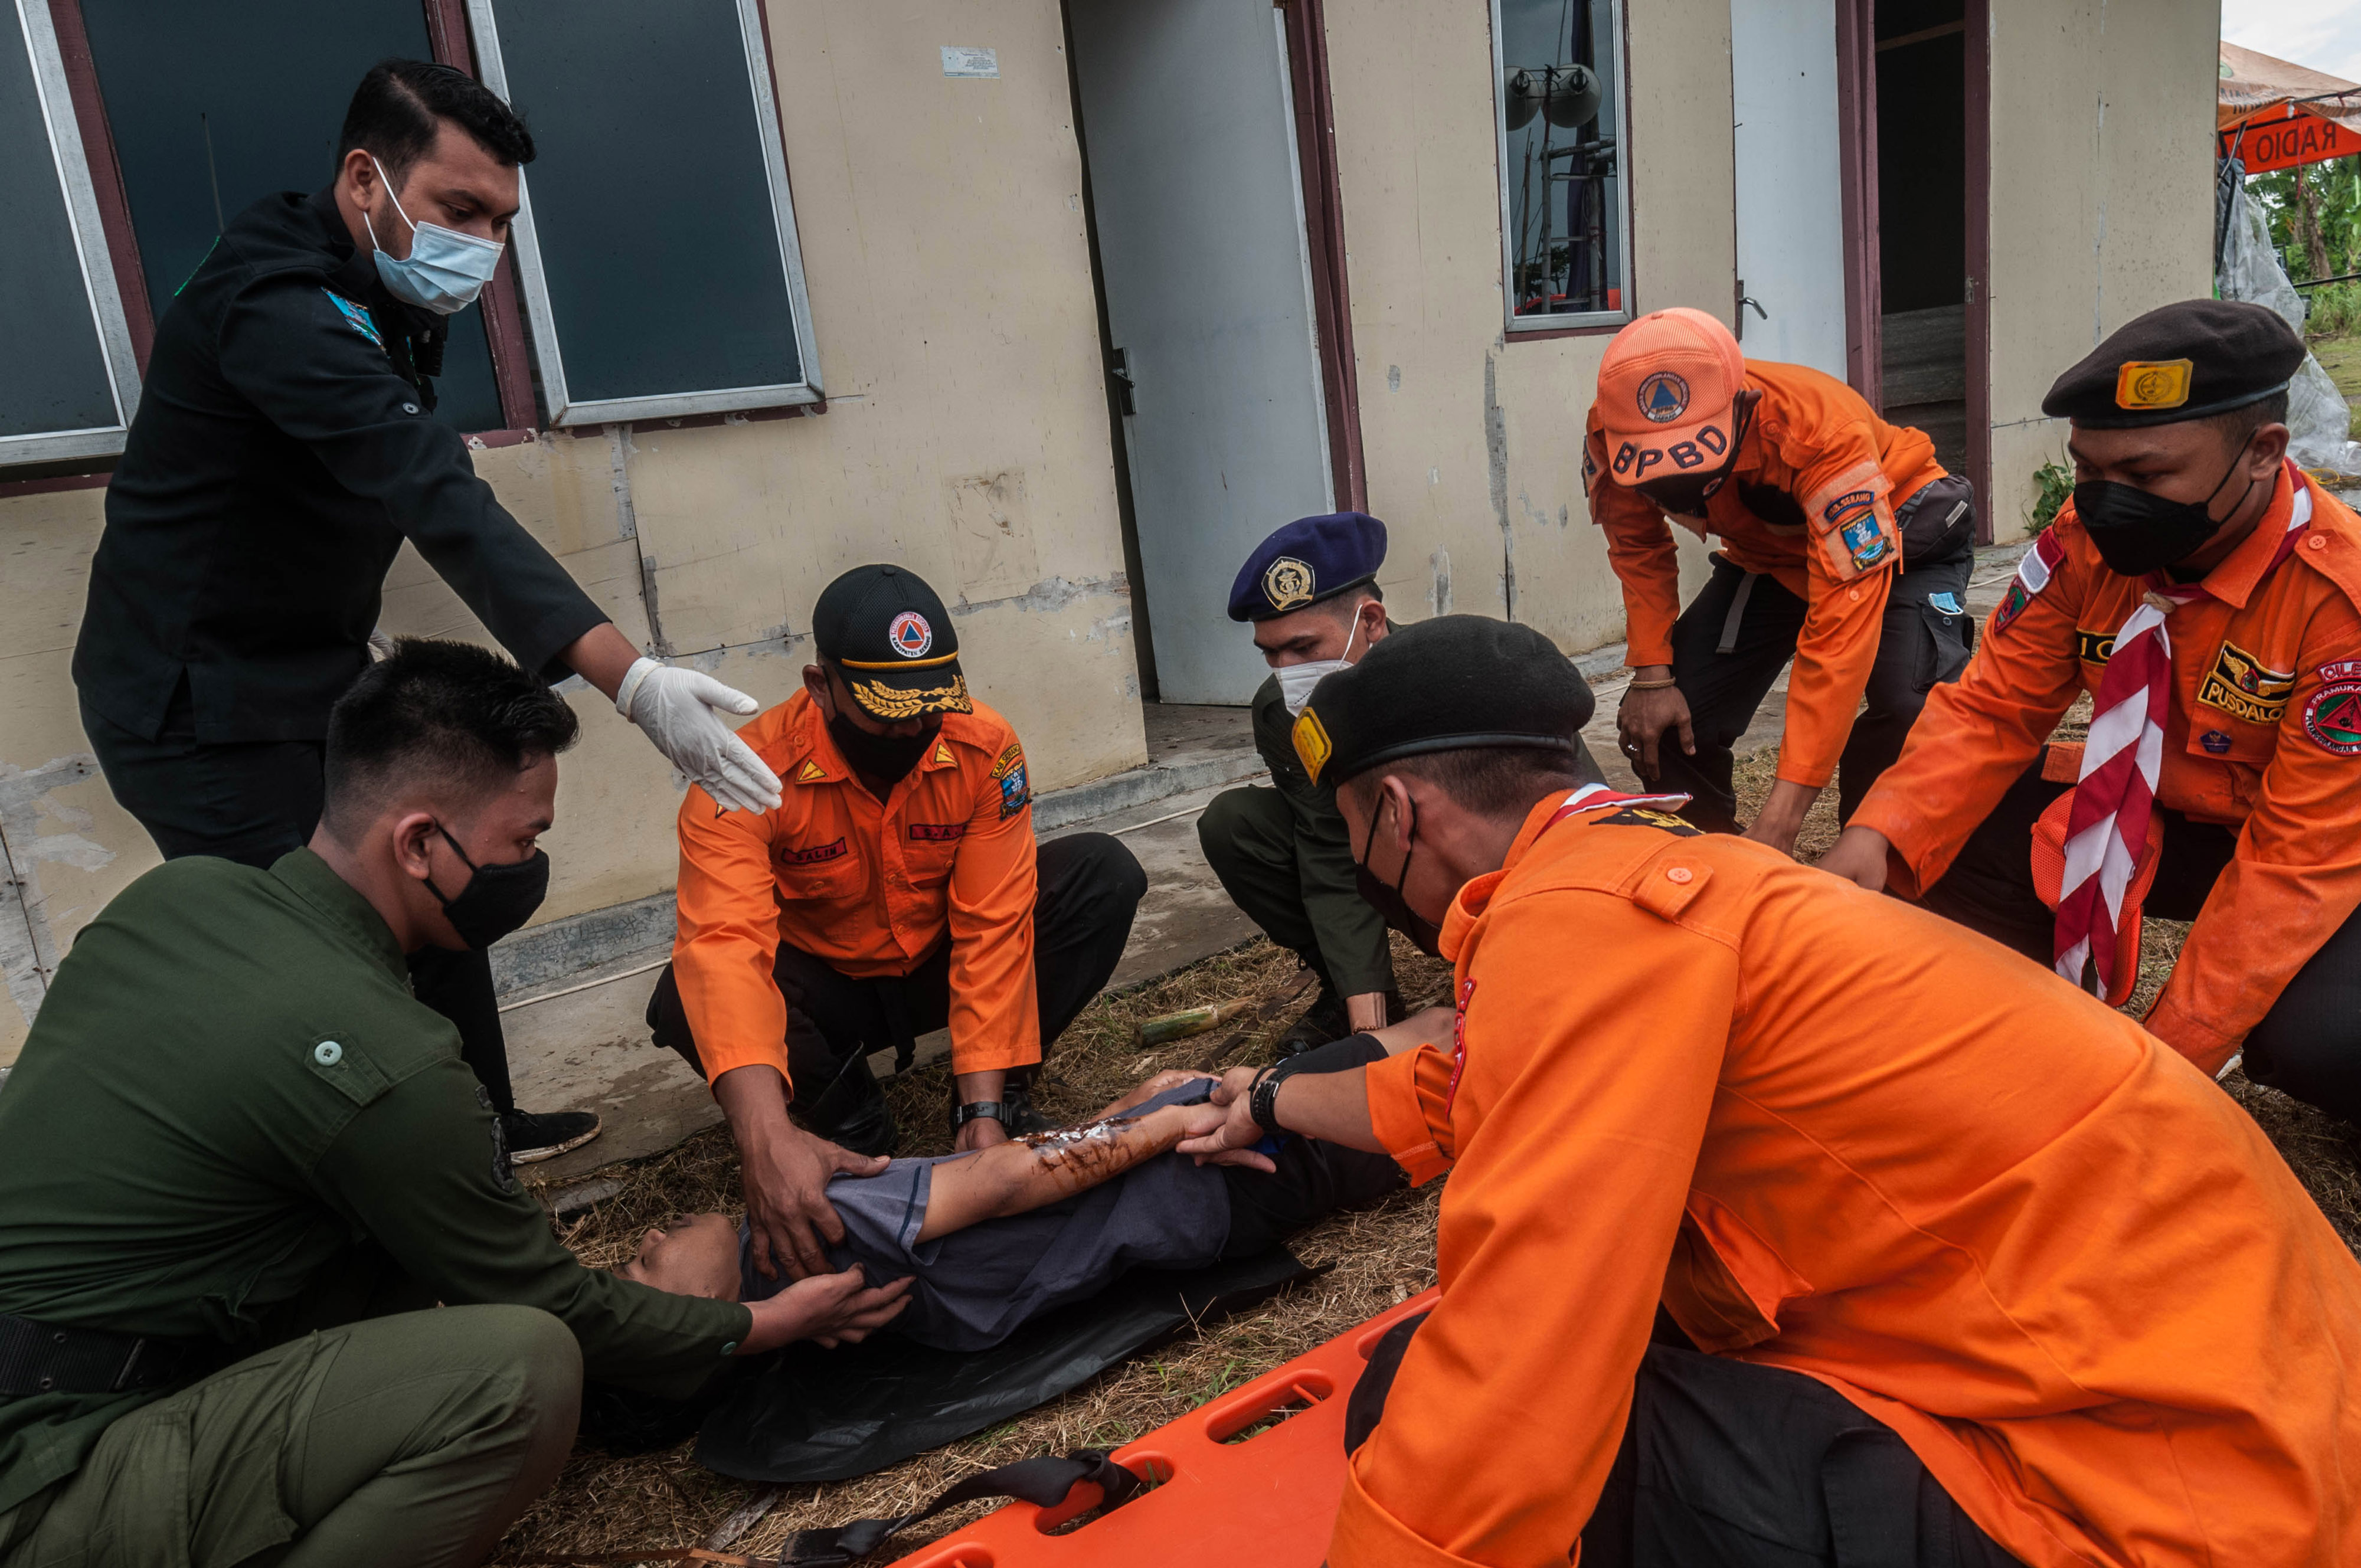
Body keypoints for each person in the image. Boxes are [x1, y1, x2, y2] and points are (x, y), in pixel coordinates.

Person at [1181, 614, 2361, 1567]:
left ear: (1399, 814)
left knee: (1422, 1398)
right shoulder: (1684, 878)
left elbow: (1524, 1335)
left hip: (2151, 1504)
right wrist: (1273, 1098)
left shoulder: (1568, 921)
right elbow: (1467, 1097)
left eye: (1352, 846)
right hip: (2271, 1418)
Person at [0, 641, 907, 1568]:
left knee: (392, 1266)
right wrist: (762, 1323)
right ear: (420, 842)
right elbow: (549, 1304)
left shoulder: (177, 897)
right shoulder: (382, 1060)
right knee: (518, 1371)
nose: (531, 865)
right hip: (44, 1475)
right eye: (522, 842)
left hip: (61, 1377)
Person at [69, 60, 787, 1164]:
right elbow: (432, 488)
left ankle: (484, 1129)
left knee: (438, 869)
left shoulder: (382, 289)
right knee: (326, 940)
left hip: (309, 665)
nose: (486, 249)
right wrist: (630, 680)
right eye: (462, 211)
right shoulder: (272, 306)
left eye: (501, 221)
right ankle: (384, 1179)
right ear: (367, 179)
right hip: (192, 699)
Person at [1822, 299, 2361, 1123]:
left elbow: (2296, 864)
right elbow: (1993, 709)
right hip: (2170, 812)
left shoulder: (2338, 605)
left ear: (2263, 453)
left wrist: (2166, 1056)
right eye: (2089, 471)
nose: (2108, 502)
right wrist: (1875, 838)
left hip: (2325, 851)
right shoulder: (2086, 546)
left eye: (2146, 477)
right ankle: (2011, 1007)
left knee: (2314, 1040)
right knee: (1890, 754)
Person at [646, 565, 1149, 1287]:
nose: (913, 728)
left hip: (932, 969)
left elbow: (993, 923)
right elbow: (725, 946)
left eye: (930, 706)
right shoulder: (745, 773)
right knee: (685, 992)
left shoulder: (983, 746)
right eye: (889, 713)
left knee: (1099, 873)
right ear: (822, 686)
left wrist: (983, 1102)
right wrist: (764, 1139)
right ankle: (849, 1131)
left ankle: (996, 1099)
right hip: (829, 996)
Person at [618, 1029, 1425, 1352]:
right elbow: (1007, 1181)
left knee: (1411, 1098)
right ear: (697, 1304)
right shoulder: (825, 1224)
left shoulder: (828, 1305)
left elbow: (1026, 1196)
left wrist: (1130, 1106)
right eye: (645, 1271)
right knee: (1428, 1069)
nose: (648, 1240)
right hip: (1208, 1170)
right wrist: (1168, 1119)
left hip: (1189, 1211)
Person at [1584, 307, 1979, 849]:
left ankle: (1871, 869)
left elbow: (1839, 632)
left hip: (1899, 535)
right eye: (1655, 474)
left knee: (1913, 711)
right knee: (1675, 716)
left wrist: (1784, 818)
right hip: (1773, 555)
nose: (1676, 490)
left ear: (1742, 411)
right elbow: (1638, 547)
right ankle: (1715, 863)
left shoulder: (1821, 430)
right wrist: (1653, 675)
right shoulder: (1616, 421)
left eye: (1694, 466)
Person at [1198, 512, 1403, 1051]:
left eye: (1305, 648)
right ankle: (1351, 989)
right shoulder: (1281, 713)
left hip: (1481, 863)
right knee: (1234, 823)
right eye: (1271, 652)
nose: (1286, 670)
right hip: (1375, 850)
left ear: (1372, 623)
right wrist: (1371, 1032)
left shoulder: (1455, 673)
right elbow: (1330, 845)